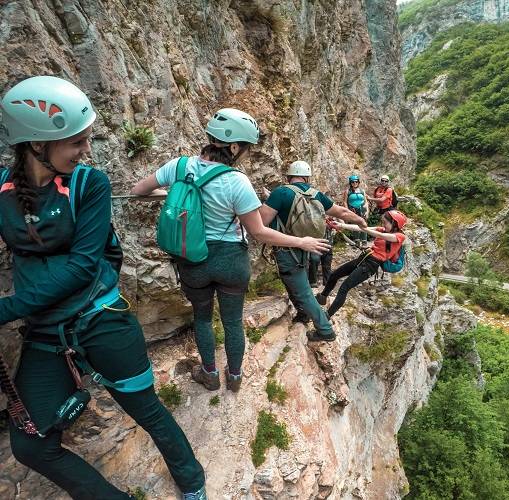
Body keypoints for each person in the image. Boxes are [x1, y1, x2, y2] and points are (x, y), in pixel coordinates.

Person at [0, 76, 207, 499]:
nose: (85, 151)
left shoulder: (87, 184)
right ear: (37, 144)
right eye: (76, 142)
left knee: (145, 410)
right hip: (46, 334)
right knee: (30, 444)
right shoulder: (2, 189)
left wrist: (6, 309)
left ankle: (193, 481)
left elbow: (81, 268)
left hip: (101, 321)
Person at [131, 108, 330, 392]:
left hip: (192, 259)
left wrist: (174, 191)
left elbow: (139, 190)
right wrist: (302, 242)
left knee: (201, 317)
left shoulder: (178, 166)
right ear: (234, 146)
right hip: (231, 261)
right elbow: (258, 231)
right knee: (232, 322)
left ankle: (209, 374)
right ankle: (234, 377)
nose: (246, 153)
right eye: (246, 148)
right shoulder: (237, 182)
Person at [259, 160, 366, 342]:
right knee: (295, 282)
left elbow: (261, 221)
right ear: (307, 177)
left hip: (287, 248)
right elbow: (341, 211)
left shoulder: (281, 192)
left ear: (288, 177)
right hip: (307, 245)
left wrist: (268, 201)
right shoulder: (315, 194)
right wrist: (360, 221)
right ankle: (303, 313)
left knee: (303, 291)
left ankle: (325, 329)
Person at [316, 210, 407, 318]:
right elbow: (361, 228)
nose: (383, 225)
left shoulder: (400, 236)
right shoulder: (383, 230)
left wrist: (364, 228)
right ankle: (322, 297)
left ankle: (327, 316)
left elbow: (378, 235)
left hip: (370, 266)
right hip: (364, 259)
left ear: (394, 224)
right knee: (335, 274)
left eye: (385, 222)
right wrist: (340, 225)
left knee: (344, 288)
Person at [343, 174, 368, 247]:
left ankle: (364, 242)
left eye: (356, 182)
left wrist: (367, 211)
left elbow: (365, 201)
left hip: (362, 209)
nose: (355, 183)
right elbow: (344, 202)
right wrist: (347, 211)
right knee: (355, 225)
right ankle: (356, 241)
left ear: (358, 182)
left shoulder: (362, 191)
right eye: (353, 182)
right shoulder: (348, 191)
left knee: (364, 224)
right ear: (350, 183)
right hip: (353, 210)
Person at [308, 222, 335, 287]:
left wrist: (336, 224)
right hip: (316, 244)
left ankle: (327, 283)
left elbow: (341, 224)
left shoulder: (332, 216)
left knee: (327, 264)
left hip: (328, 243)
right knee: (314, 260)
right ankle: (312, 282)